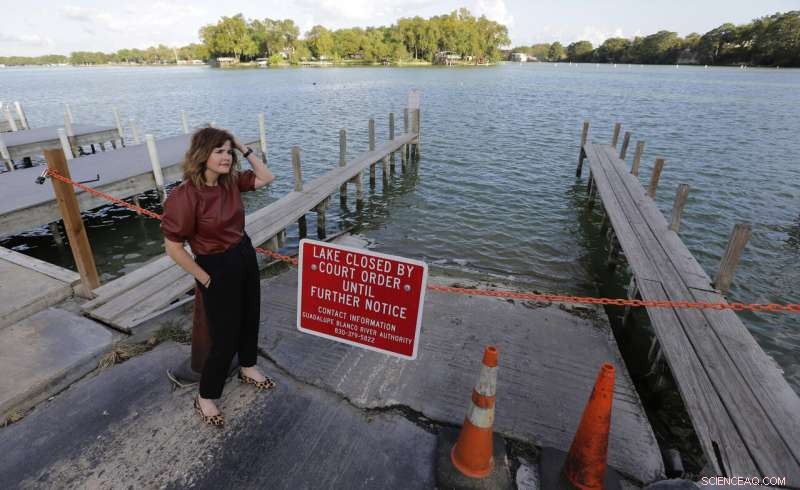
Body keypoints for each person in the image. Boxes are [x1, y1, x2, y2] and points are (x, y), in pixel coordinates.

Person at [161, 127, 276, 426]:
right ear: (202, 155)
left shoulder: (230, 183)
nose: (227, 157)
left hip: (243, 253)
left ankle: (248, 366)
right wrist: (205, 278)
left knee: (251, 316)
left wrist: (243, 146)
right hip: (215, 264)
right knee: (223, 338)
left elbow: (266, 178)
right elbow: (173, 247)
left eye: (229, 151)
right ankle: (206, 395)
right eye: (219, 151)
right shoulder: (185, 196)